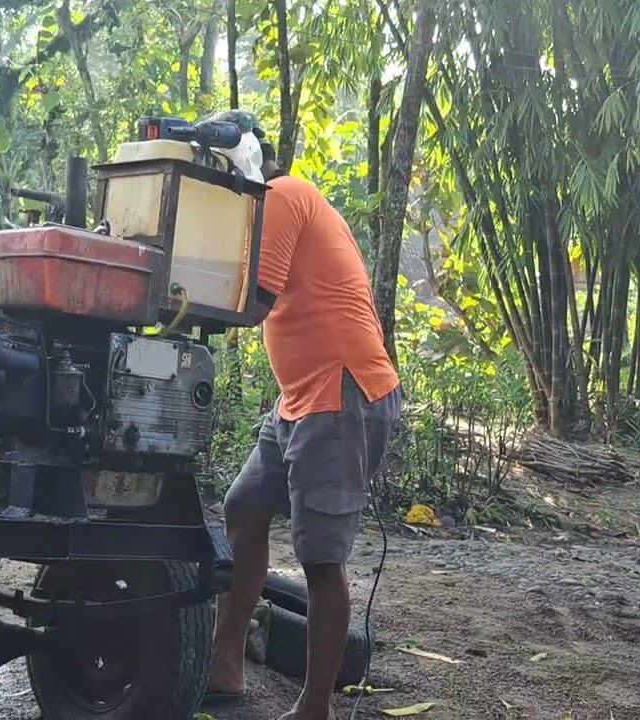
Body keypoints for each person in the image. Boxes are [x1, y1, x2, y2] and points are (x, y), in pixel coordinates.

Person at [202, 111, 403, 720]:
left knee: (319, 559)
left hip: (340, 395)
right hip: (299, 399)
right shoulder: (265, 214)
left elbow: (252, 303)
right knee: (243, 508)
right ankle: (223, 667)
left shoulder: (284, 195)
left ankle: (316, 707)